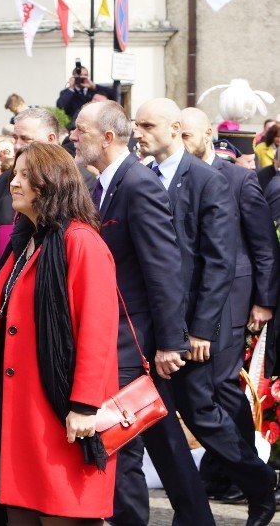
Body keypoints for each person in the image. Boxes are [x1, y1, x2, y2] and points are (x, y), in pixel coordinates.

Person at [134, 98, 277, 526]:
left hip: (195, 326)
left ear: (175, 128)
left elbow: (218, 261)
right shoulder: (141, 178)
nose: (138, 132)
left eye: (147, 124)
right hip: (152, 324)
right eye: (136, 125)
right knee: (161, 422)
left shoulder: (208, 179)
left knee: (202, 414)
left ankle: (257, 482)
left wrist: (199, 331)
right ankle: (192, 514)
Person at [71, 100, 215, 525]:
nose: (74, 137)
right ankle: (197, 518)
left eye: (81, 130)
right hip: (119, 337)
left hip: (133, 340)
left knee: (124, 447)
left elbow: (164, 270)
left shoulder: (137, 185)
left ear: (107, 138)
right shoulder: (100, 186)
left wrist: (171, 342)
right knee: (165, 441)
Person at [0, 141, 119, 525]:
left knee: (62, 514)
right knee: (21, 514)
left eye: (23, 175)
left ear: (49, 182)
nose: (13, 183)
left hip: (60, 410)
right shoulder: (26, 240)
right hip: (21, 410)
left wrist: (85, 404)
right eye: (14, 174)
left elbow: (98, 329)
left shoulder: (81, 241)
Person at [181, 107, 279, 502]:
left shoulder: (239, 178)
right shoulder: (172, 178)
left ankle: (244, 473)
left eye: (188, 135)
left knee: (223, 386)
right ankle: (224, 470)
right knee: (204, 391)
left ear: (208, 133)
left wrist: (264, 301)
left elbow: (263, 245)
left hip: (235, 299)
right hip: (194, 301)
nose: (184, 142)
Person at [0, 108, 60, 294]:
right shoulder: (5, 180)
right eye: (16, 138)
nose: (18, 145)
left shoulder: (76, 180)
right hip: (3, 286)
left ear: (51, 139)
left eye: (26, 139)